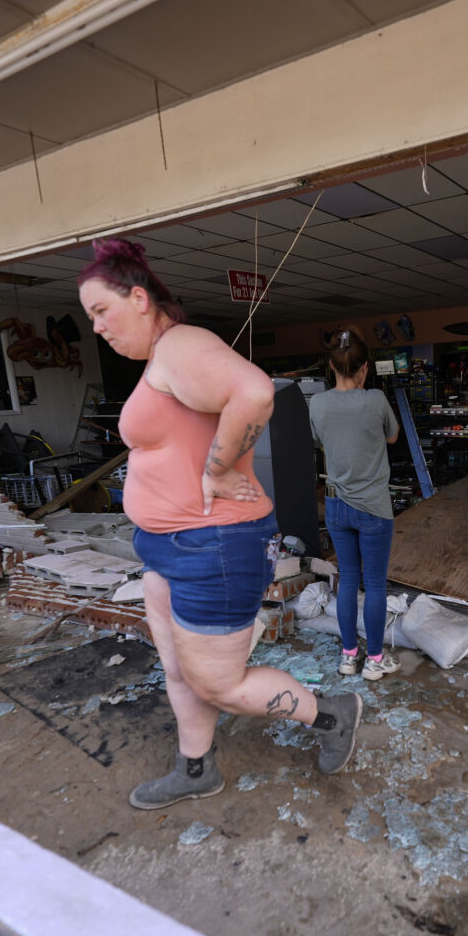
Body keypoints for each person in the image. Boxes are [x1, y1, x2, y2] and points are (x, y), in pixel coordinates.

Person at [78, 239, 365, 808]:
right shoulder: (162, 361)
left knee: (219, 684)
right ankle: (195, 770)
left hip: (214, 545)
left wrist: (214, 470)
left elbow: (256, 392)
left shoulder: (180, 345)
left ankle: (332, 713)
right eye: (90, 317)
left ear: (139, 298)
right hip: (168, 545)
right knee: (177, 668)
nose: (97, 329)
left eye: (101, 312)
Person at [308, 329, 402, 681]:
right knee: (375, 584)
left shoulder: (317, 403)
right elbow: (392, 436)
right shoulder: (376, 400)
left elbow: (317, 439)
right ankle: (375, 660)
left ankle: (349, 657)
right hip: (374, 507)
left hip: (336, 506)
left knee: (348, 580)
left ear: (332, 366)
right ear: (365, 368)